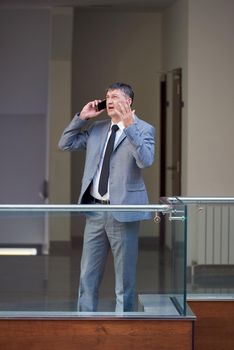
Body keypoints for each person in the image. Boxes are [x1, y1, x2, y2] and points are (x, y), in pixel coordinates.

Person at [58, 82, 155, 312]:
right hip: (95, 212)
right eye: (107, 96)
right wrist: (82, 117)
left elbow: (146, 160)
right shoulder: (97, 129)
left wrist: (129, 126)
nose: (109, 100)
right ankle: (86, 326)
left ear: (128, 102)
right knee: (87, 277)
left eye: (115, 96)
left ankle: (124, 330)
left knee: (124, 280)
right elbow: (65, 144)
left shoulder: (144, 129)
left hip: (123, 212)